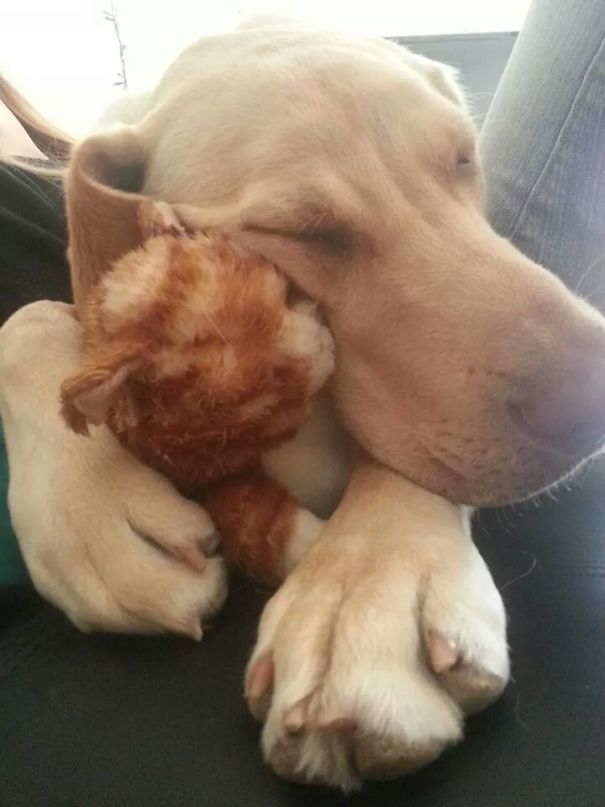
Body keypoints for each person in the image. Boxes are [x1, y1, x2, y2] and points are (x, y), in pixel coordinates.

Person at [0, 2, 604, 803]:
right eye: (315, 234)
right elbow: (113, 324)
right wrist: (33, 365)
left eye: (459, 159)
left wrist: (410, 496)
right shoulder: (125, 189)